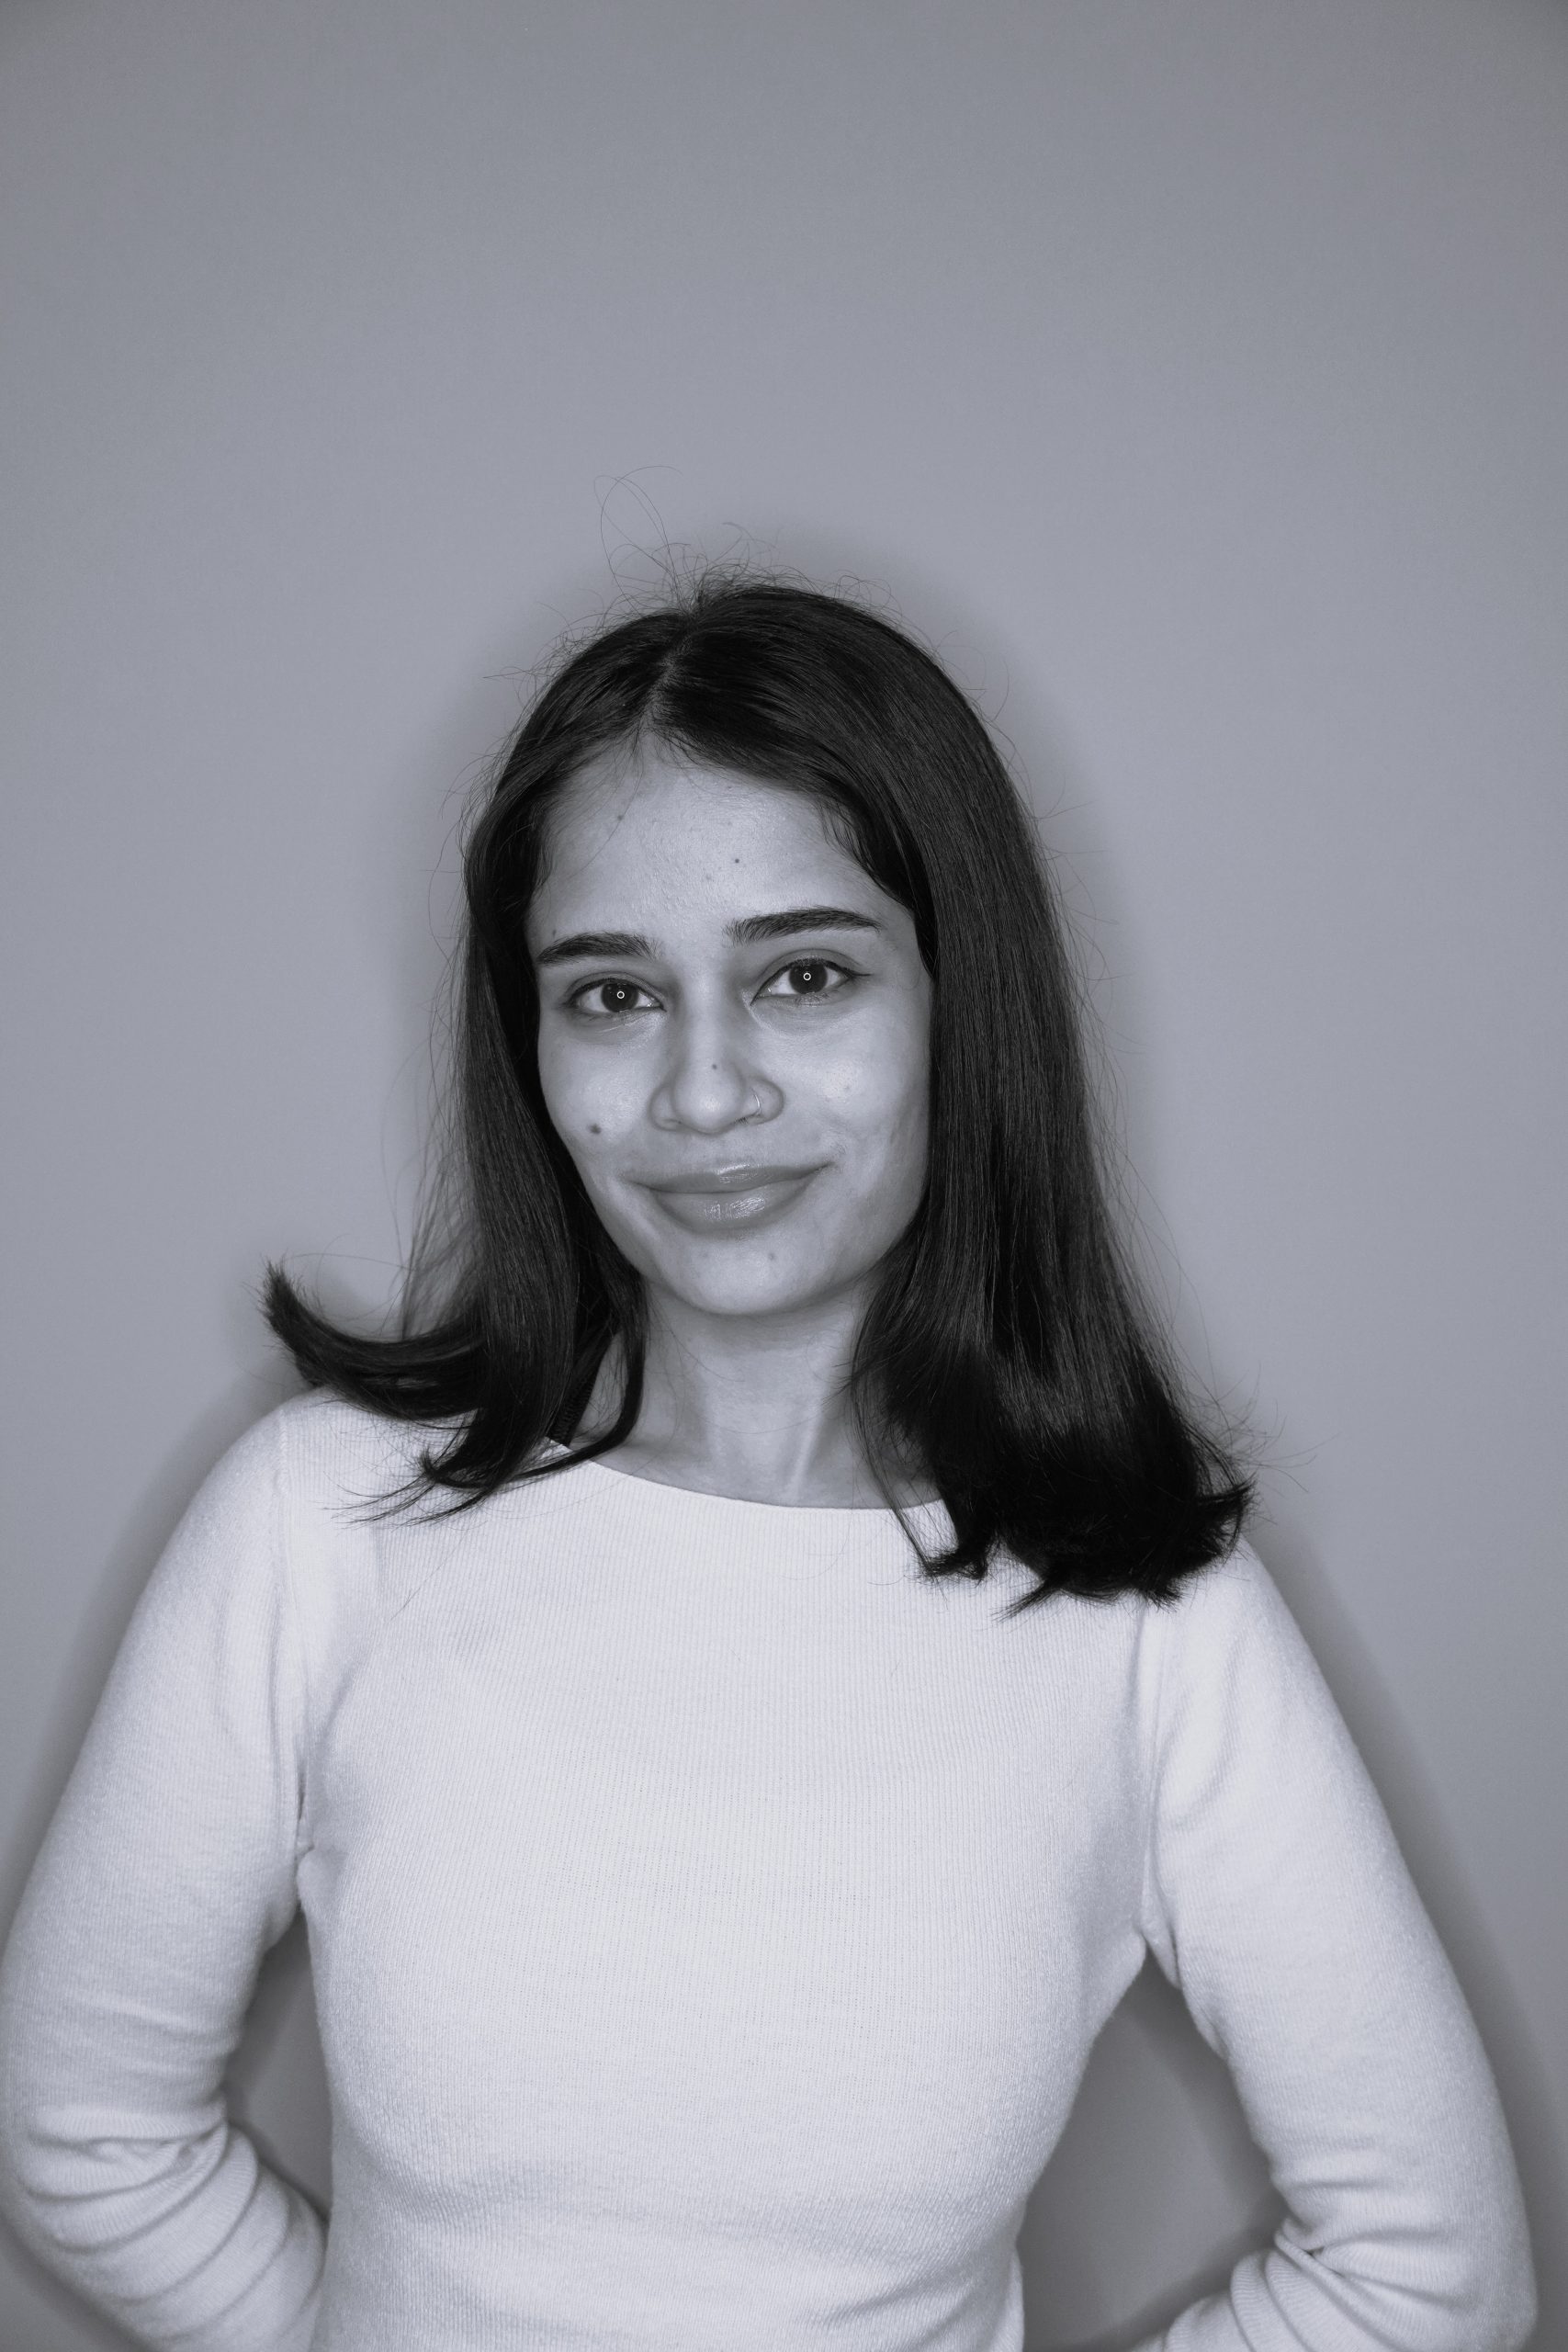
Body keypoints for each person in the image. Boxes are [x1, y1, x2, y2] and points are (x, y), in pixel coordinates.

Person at [0, 572, 1536, 2352]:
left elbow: (1430, 2275)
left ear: (956, 1004)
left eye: (803, 975)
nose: (704, 1092)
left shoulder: (1146, 1617)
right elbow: (79, 2130)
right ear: (531, 1045)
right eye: (611, 993)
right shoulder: (321, 1518)